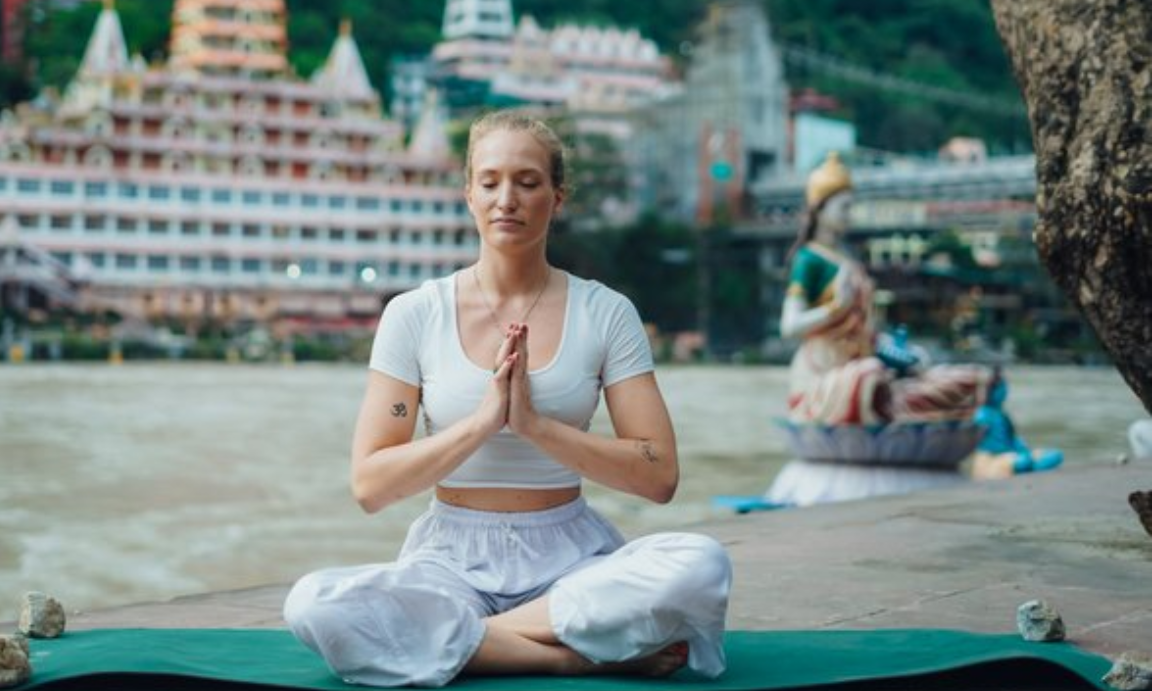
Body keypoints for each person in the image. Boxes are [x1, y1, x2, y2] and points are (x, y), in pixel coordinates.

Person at [283, 110, 732, 687]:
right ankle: (569, 654)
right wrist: (481, 423)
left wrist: (534, 425)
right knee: (314, 604)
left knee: (700, 564)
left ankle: (467, 639)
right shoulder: (415, 314)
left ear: (557, 197)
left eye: (527, 182)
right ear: (468, 194)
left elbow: (659, 476)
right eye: (490, 181)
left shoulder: (605, 312)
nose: (507, 199)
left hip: (572, 560)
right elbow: (371, 485)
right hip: (449, 561)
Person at [779, 152, 990, 427]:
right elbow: (790, 326)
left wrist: (906, 356)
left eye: (850, 207)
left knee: (966, 380)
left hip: (865, 364)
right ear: (819, 209)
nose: (849, 214)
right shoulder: (808, 259)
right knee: (870, 376)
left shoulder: (847, 260)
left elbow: (869, 334)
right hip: (825, 375)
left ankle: (910, 419)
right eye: (843, 207)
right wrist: (834, 309)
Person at [970, 367, 1064, 479]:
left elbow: (1012, 438)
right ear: (992, 391)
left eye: (1005, 388)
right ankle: (1030, 468)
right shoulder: (983, 414)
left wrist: (1021, 447)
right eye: (1001, 389)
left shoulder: (1002, 414)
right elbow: (975, 440)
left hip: (1012, 455)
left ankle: (1030, 467)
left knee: (1056, 455)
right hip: (993, 459)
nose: (1004, 392)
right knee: (1024, 462)